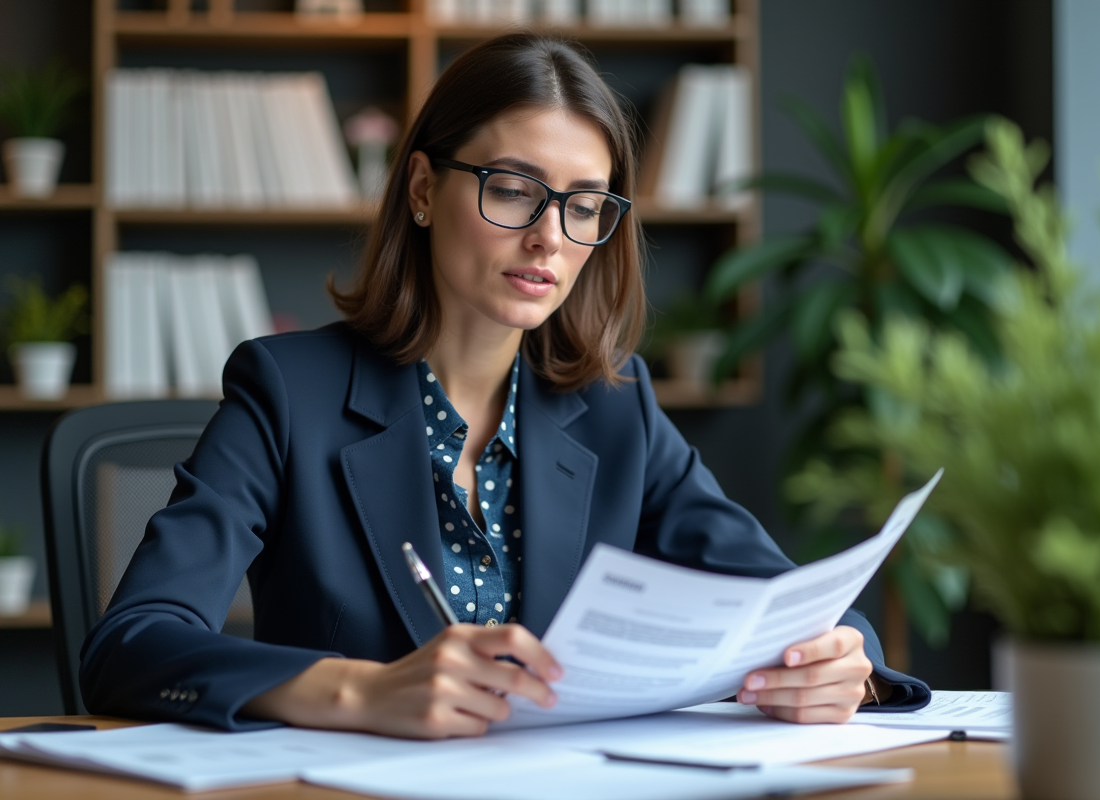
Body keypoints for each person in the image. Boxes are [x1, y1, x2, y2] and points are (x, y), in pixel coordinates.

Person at [80, 33, 930, 739]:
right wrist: (359, 693)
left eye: (584, 205)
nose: (548, 239)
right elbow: (132, 645)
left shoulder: (616, 407)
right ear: (422, 189)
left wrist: (841, 660)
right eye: (514, 191)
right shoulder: (287, 390)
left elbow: (787, 603)